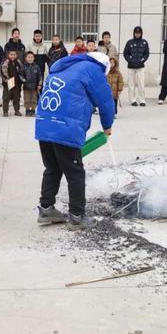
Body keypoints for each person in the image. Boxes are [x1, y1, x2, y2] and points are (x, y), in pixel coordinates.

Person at [35, 52, 115, 229]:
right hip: (65, 127)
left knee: (52, 168)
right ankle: (77, 217)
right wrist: (107, 125)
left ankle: (46, 209)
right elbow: (106, 101)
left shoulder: (63, 67)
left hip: (44, 124)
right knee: (75, 173)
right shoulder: (94, 70)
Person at [123, 26, 150, 107]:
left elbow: (146, 53)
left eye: (139, 33)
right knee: (131, 84)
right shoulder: (129, 42)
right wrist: (130, 60)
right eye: (136, 33)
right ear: (134, 33)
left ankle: (142, 100)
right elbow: (125, 53)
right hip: (131, 67)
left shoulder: (144, 42)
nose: (137, 34)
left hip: (140, 66)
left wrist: (142, 60)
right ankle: (133, 100)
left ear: (141, 33)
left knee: (141, 84)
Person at [20, 51, 43, 117]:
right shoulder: (23, 66)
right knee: (27, 99)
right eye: (29, 57)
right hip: (26, 87)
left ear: (34, 58)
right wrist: (24, 80)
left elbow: (40, 76)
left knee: (33, 99)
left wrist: (39, 84)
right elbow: (20, 75)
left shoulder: (36, 66)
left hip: (34, 87)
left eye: (31, 57)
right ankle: (27, 110)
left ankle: (33, 110)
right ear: (26, 58)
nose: (30, 59)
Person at [1, 49, 22, 117]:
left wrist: (20, 80)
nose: (13, 56)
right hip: (8, 82)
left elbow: (21, 71)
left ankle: (17, 110)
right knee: (6, 98)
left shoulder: (18, 62)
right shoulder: (6, 62)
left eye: (14, 55)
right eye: (11, 55)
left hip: (16, 83)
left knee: (16, 97)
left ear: (16, 55)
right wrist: (7, 79)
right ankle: (5, 111)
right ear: (8, 55)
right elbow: (3, 71)